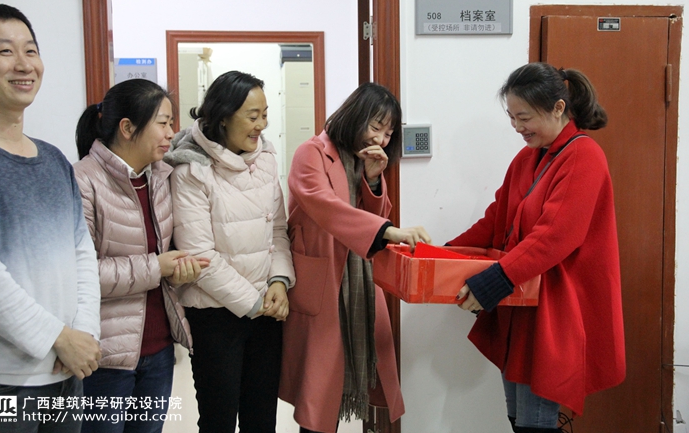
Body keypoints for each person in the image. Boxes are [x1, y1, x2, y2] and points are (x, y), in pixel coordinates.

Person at [447, 62, 625, 432]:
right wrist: (444, 254)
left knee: (536, 423)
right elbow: (496, 220)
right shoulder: (528, 158)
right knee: (519, 419)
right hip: (522, 304)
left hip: (555, 310)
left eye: (524, 117)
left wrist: (494, 281)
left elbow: (554, 237)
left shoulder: (584, 156)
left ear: (558, 108)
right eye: (512, 117)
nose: (517, 127)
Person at [279, 82, 432, 433]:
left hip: (357, 280)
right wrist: (389, 232)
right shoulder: (311, 152)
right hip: (322, 282)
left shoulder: (363, 159)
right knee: (318, 392)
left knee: (339, 378)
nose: (381, 139)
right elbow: (325, 207)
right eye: (376, 127)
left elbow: (373, 215)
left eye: (389, 133)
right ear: (355, 116)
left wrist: (373, 180)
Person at [0, 4, 102, 432]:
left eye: (31, 50)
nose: (23, 64)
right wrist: (59, 337)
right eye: (5, 51)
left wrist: (83, 335)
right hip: (3, 378)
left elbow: (82, 252)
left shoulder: (54, 159)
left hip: (67, 370)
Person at [73, 78, 208, 433]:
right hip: (104, 356)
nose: (171, 132)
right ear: (127, 128)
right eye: (162, 123)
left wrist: (178, 268)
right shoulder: (83, 180)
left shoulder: (162, 177)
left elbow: (165, 251)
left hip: (159, 350)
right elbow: (80, 274)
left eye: (171, 122)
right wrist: (156, 267)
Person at [165, 70, 296, 433]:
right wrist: (254, 303)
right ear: (223, 117)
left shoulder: (265, 158)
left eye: (264, 115)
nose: (261, 125)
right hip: (215, 317)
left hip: (266, 311)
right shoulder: (190, 169)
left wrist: (279, 281)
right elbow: (200, 256)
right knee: (218, 420)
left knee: (261, 419)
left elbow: (278, 230)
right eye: (252, 116)